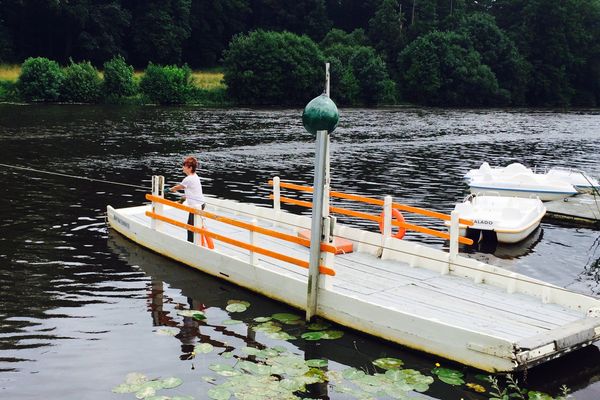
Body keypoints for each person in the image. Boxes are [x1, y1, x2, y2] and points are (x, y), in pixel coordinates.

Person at [170, 156, 206, 242]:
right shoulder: (195, 176)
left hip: (196, 207)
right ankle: (193, 242)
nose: (183, 167)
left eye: (184, 166)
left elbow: (179, 187)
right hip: (200, 204)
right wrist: (182, 200)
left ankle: (191, 244)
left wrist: (170, 189)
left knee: (190, 227)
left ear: (190, 168)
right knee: (192, 225)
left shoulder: (188, 179)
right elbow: (191, 191)